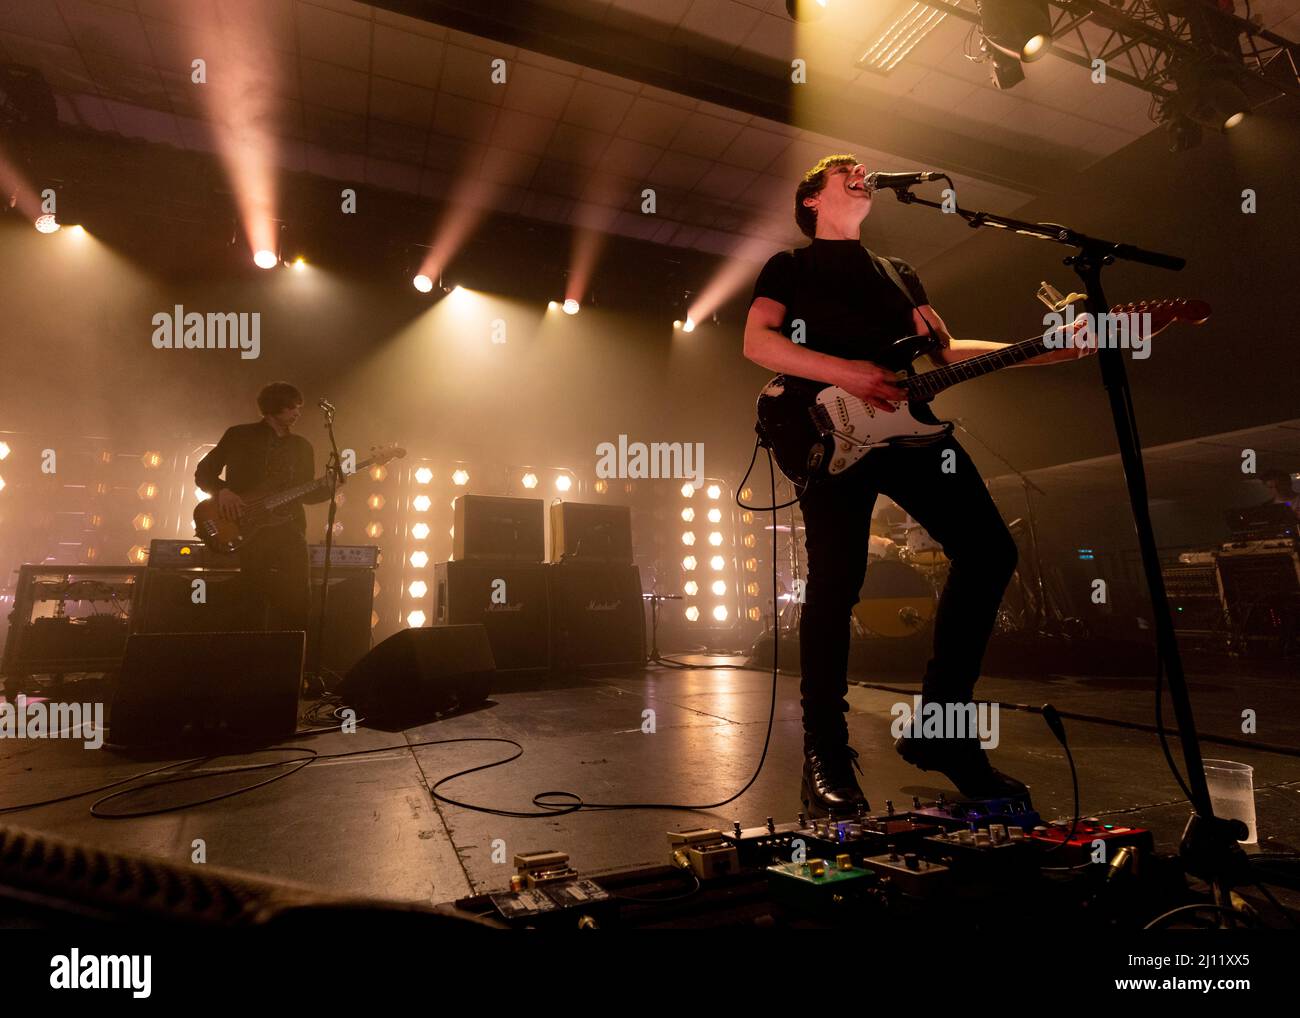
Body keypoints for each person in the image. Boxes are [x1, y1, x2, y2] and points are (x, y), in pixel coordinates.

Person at [743, 155, 1093, 816]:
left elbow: (948, 352)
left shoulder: (898, 274)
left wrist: (1054, 346)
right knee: (835, 583)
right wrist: (847, 374)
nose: (860, 170)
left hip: (912, 433)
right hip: (830, 433)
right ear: (812, 198)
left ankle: (944, 733)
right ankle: (826, 748)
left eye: (861, 167)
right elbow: (758, 342)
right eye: (842, 169)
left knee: (991, 551)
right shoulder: (790, 267)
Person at [195, 382, 330, 637]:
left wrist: (331, 487)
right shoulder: (238, 435)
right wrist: (223, 491)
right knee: (251, 598)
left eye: (299, 407)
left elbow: (307, 494)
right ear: (273, 407)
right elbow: (203, 472)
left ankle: (293, 661)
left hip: (289, 531)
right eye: (292, 407)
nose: (297, 413)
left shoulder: (302, 446)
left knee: (298, 600)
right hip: (247, 529)